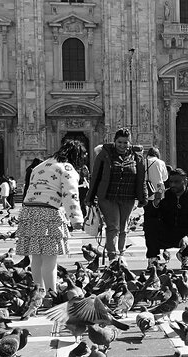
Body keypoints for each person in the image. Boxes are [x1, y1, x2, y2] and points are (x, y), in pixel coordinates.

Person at [17, 139, 85, 307]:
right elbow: (71, 194)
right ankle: (51, 295)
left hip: (29, 211)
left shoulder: (41, 165)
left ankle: (37, 294)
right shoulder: (67, 168)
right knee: (50, 258)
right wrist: (76, 219)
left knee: (36, 257)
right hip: (48, 212)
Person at [88, 128, 145, 260]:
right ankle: (113, 256)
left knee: (124, 227)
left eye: (125, 143)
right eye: (120, 142)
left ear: (130, 143)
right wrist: (90, 197)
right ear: (114, 141)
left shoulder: (136, 156)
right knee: (113, 226)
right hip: (108, 197)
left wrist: (143, 196)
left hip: (128, 196)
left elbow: (141, 178)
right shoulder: (105, 154)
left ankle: (121, 254)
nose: (122, 145)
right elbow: (95, 176)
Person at [155, 168, 188, 270]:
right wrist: (156, 203)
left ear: (185, 181)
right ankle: (153, 259)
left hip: (185, 235)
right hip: (167, 232)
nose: (173, 185)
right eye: (171, 182)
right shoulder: (164, 195)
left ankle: (185, 256)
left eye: (177, 182)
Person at [142, 147, 169, 265]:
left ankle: (152, 256)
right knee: (160, 220)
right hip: (159, 192)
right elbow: (165, 178)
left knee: (149, 221)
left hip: (146, 193)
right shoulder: (160, 162)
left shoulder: (142, 162)